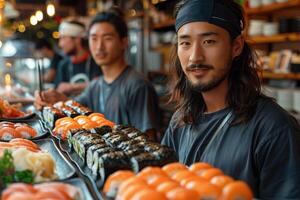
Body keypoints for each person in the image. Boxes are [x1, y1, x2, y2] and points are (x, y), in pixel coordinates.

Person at [161, 0, 300, 199]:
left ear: (236, 46)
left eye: (208, 41)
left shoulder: (274, 128)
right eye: (185, 43)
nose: (194, 57)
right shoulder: (180, 121)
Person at [35, 7, 161, 140]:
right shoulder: (96, 85)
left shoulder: (137, 85)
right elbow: (74, 108)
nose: (99, 46)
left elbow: (149, 142)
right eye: (94, 39)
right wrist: (54, 99)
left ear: (124, 42)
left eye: (107, 38)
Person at [56, 20, 102, 96]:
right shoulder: (63, 65)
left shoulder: (96, 61)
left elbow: (103, 84)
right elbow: (59, 91)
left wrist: (72, 87)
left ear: (77, 39)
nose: (60, 44)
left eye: (63, 38)